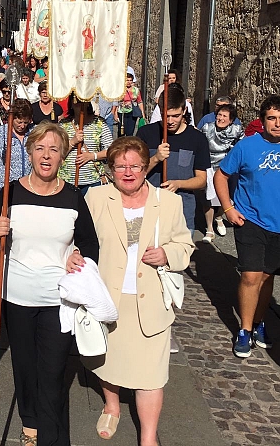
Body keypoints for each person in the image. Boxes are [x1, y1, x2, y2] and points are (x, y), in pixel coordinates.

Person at [0, 122, 99, 446]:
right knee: (24, 366)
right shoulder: (11, 192)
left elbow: (91, 245)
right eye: (40, 148)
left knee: (52, 372)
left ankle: (51, 438)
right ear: (30, 152)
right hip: (16, 297)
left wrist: (80, 259)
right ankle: (29, 422)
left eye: (54, 150)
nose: (46, 156)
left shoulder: (73, 197)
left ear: (63, 156)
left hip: (57, 300)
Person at [84, 136, 194, 444]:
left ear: (147, 167)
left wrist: (168, 255)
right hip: (109, 297)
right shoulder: (95, 197)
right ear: (110, 169)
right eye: (120, 166)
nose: (128, 172)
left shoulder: (168, 202)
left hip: (151, 301)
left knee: (151, 373)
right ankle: (112, 405)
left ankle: (148, 435)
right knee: (107, 360)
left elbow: (185, 245)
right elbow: (81, 241)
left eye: (135, 166)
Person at [214, 95, 280, 358]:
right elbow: (221, 175)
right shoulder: (247, 147)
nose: (277, 124)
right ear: (262, 121)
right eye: (272, 118)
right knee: (250, 276)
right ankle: (245, 330)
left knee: (268, 277)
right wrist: (228, 208)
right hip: (249, 220)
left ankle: (260, 323)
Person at [137, 85, 210, 233]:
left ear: (184, 111)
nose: (170, 121)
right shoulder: (146, 133)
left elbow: (202, 180)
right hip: (148, 209)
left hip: (182, 213)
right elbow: (135, 172)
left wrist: (178, 184)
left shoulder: (197, 139)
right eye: (166, 115)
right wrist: (156, 158)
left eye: (175, 116)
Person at [200, 103, 243, 243]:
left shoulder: (237, 130)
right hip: (209, 165)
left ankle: (219, 217)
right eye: (219, 115)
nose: (220, 118)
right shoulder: (207, 127)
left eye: (224, 116)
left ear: (231, 120)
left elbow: (242, 146)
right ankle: (209, 229)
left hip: (227, 168)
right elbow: (198, 142)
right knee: (209, 198)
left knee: (227, 196)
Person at [59, 99, 113, 195]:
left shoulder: (99, 124)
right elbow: (56, 152)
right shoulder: (63, 125)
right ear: (71, 104)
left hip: (92, 180)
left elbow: (111, 150)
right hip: (66, 180)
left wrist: (92, 156)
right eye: (77, 102)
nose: (80, 106)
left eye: (83, 102)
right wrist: (72, 142)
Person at [0, 99, 33, 200]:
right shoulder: (1, 132)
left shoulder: (33, 132)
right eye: (19, 122)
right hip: (4, 185)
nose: (22, 126)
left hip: (27, 185)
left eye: (25, 122)